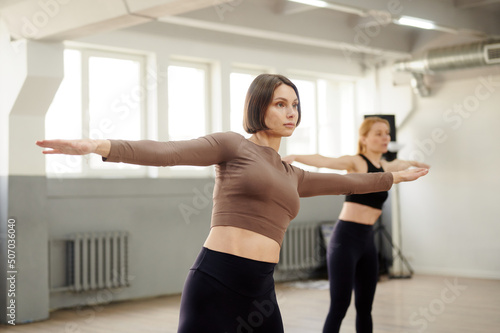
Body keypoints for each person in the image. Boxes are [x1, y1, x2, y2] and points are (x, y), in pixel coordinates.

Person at [36, 75, 428, 333]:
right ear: (258, 107)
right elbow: (169, 152)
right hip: (216, 280)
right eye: (279, 104)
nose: (290, 112)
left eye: (294, 104)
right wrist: (100, 146)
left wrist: (392, 176)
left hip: (260, 289)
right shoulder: (233, 145)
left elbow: (348, 181)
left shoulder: (294, 174)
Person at [283, 116, 430, 333]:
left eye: (387, 133)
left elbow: (405, 164)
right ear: (364, 139)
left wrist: (417, 164)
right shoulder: (357, 162)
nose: (385, 138)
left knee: (365, 307)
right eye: (378, 133)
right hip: (345, 239)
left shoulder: (386, 165)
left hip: (368, 241)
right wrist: (295, 156)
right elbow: (325, 160)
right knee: (339, 306)